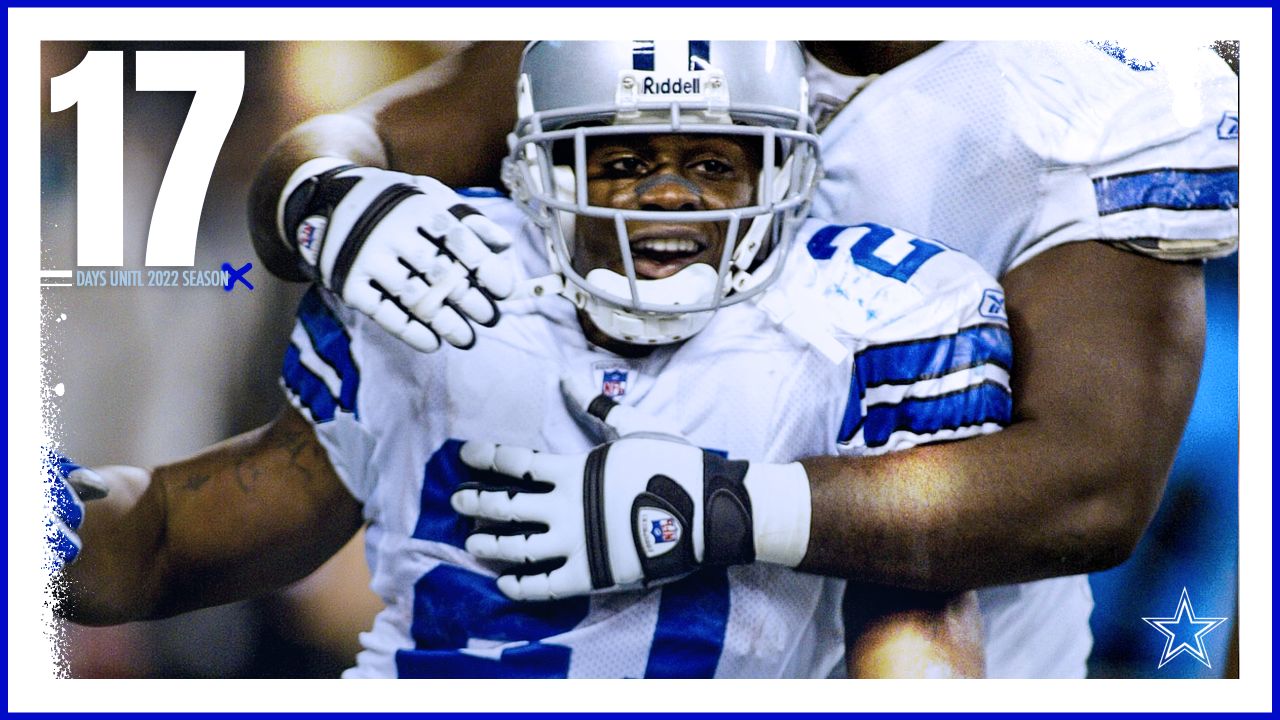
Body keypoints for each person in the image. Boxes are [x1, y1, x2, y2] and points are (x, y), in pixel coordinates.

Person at [243, 40, 1239, 678]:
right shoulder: (646, 39)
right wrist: (329, 195)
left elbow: (1090, 486)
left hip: (919, 654)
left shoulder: (1102, 85)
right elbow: (357, 135)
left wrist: (722, 507)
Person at [50, 40, 1007, 679]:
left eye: (714, 164)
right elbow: (167, 540)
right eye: (624, 162)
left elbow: (915, 641)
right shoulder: (444, 279)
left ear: (784, 175)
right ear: (540, 174)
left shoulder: (875, 319)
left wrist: (729, 510)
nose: (669, 196)